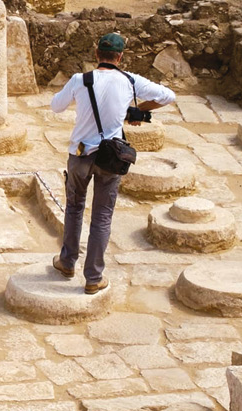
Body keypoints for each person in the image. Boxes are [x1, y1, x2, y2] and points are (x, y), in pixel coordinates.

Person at [49, 33, 176, 294]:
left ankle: (67, 262)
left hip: (80, 154)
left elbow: (55, 107)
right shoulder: (130, 80)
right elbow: (168, 96)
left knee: (74, 208)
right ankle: (93, 277)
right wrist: (138, 111)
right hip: (111, 157)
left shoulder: (80, 80)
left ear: (97, 55)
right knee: (102, 217)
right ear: (120, 57)